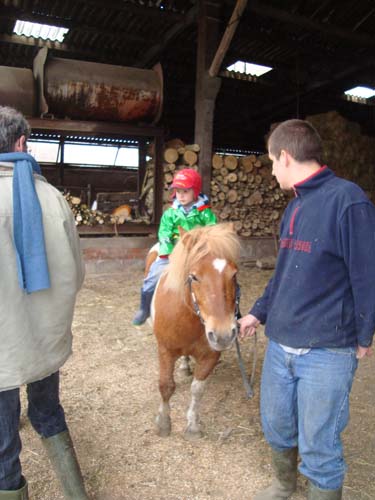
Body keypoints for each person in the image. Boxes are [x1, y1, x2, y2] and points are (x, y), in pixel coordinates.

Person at [239, 119, 375, 500]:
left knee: (319, 444)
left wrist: (364, 334)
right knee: (278, 425)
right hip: (281, 344)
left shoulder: (349, 201)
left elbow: (367, 275)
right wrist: (257, 313)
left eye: (270, 161)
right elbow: (284, 274)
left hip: (327, 349)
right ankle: (284, 484)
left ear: (285, 156)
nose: (270, 171)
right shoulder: (295, 207)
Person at [0, 106, 88, 499]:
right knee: (48, 412)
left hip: (3, 345)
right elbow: (78, 275)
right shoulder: (52, 197)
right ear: (21, 143)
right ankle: (75, 493)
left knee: (2, 437)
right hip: (44, 338)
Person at [132, 168, 217, 326]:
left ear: (195, 191)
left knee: (221, 277)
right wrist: (168, 251)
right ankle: (144, 308)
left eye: (185, 191)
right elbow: (164, 232)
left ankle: (234, 311)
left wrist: (202, 248)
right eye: (178, 191)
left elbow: (212, 231)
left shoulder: (205, 213)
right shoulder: (170, 213)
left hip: (197, 253)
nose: (181, 195)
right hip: (174, 250)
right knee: (152, 275)